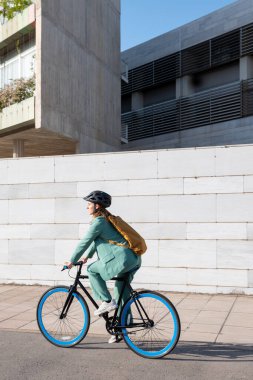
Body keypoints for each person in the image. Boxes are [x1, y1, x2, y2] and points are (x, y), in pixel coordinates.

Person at [64, 190, 142, 344]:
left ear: (97, 205)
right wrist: (87, 256)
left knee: (92, 270)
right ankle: (121, 329)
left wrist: (72, 261)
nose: (87, 207)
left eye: (89, 204)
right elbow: (101, 240)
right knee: (121, 293)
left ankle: (106, 301)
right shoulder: (106, 220)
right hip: (134, 259)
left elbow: (85, 241)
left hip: (122, 259)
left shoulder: (99, 222)